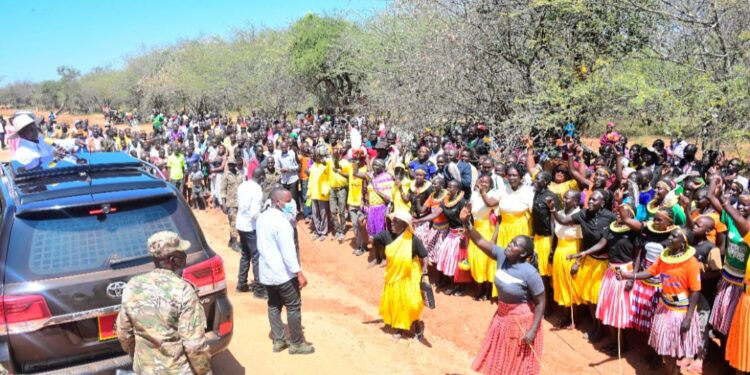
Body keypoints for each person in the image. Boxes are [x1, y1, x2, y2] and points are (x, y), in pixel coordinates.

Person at [461, 206, 545, 375]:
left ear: (523, 254)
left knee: (515, 361)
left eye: (515, 245)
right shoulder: (501, 256)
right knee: (500, 354)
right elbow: (480, 241)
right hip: (501, 316)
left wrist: (533, 330)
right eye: (511, 241)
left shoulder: (530, 272)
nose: (509, 245)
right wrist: (467, 223)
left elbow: (541, 302)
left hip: (520, 322)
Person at [116, 231, 211, 375]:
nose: (185, 257)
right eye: (182, 254)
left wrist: (140, 358)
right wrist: (204, 372)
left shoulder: (133, 285)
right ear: (174, 259)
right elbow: (194, 347)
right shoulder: (183, 291)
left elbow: (124, 333)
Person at [619, 226, 702, 375]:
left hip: (680, 312)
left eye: (674, 236)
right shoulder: (664, 256)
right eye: (670, 235)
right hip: (664, 306)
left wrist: (688, 318)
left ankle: (674, 372)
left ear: (683, 242)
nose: (669, 238)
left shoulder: (691, 262)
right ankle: (672, 371)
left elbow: (696, 290)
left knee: (673, 350)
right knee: (665, 349)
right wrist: (629, 276)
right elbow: (650, 272)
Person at [257, 188, 314, 354]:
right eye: (288, 201)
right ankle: (297, 343)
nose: (291, 204)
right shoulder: (282, 224)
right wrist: (299, 273)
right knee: (293, 306)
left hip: (267, 273)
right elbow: (288, 253)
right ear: (277, 202)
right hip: (283, 274)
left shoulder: (263, 217)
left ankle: (279, 340)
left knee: (274, 305)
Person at [362, 209, 428, 340]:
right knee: (397, 302)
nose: (392, 223)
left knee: (410, 302)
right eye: (392, 221)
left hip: (409, 275)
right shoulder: (386, 235)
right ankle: (399, 328)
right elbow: (369, 240)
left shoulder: (413, 239)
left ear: (404, 224)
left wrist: (425, 270)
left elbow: (424, 256)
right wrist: (363, 228)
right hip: (394, 275)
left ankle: (417, 326)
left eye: (395, 221)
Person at [236, 168, 266, 299]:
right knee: (256, 256)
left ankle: (241, 284)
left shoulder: (243, 185)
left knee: (245, 254)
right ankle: (259, 289)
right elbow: (254, 213)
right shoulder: (257, 190)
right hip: (250, 226)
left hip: (240, 223)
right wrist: (264, 216)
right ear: (261, 178)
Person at [307, 148, 331, 241]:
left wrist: (327, 190)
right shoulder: (313, 166)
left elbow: (329, 179)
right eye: (316, 155)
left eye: (318, 155)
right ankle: (317, 231)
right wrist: (309, 192)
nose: (316, 157)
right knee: (315, 214)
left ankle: (324, 232)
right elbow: (311, 180)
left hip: (323, 194)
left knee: (323, 213)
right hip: (313, 194)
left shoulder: (326, 166)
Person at [221, 159, 243, 252]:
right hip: (230, 203)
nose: (231, 166)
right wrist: (223, 204)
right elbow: (223, 190)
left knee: (236, 222)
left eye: (233, 164)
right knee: (234, 223)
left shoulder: (239, 174)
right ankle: (234, 242)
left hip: (239, 202)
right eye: (229, 164)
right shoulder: (226, 175)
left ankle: (231, 240)